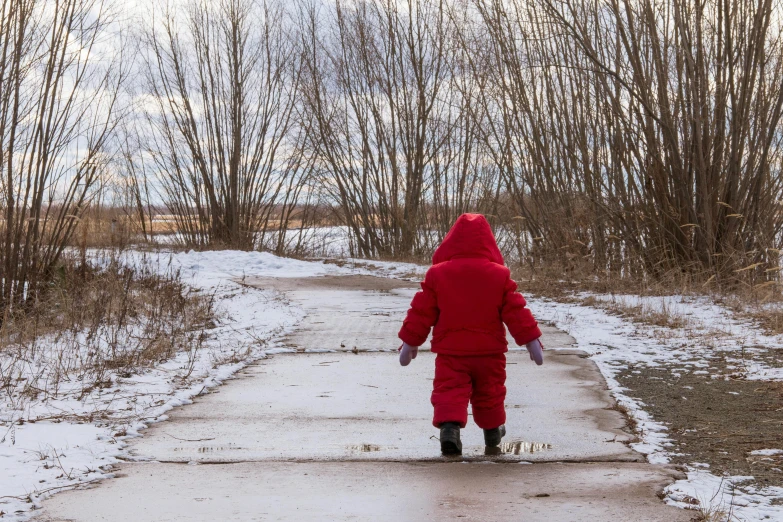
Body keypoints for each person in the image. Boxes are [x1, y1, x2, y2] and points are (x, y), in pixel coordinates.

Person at [397, 213, 544, 456]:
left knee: (449, 391)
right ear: (489, 244)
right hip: (489, 351)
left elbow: (421, 311)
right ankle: (493, 432)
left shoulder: (437, 274)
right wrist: (531, 340)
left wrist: (410, 342)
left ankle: (449, 431)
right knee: (491, 391)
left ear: (449, 242)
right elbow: (516, 311)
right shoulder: (499, 275)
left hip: (451, 351)